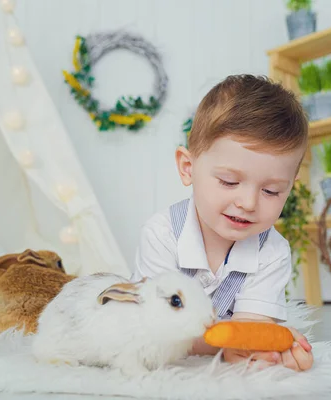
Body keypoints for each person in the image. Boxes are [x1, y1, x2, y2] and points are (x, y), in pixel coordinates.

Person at [131, 74, 314, 372]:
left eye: (271, 191)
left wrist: (272, 348)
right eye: (229, 182)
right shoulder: (163, 234)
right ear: (188, 168)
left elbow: (251, 328)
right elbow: (155, 329)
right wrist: (229, 344)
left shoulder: (273, 251)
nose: (249, 203)